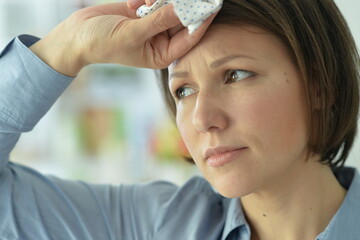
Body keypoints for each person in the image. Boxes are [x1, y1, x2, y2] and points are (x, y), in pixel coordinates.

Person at [0, 0, 359, 240]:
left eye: (235, 75)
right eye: (184, 91)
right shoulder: (157, 225)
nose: (202, 118)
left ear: (320, 86)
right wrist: (68, 44)